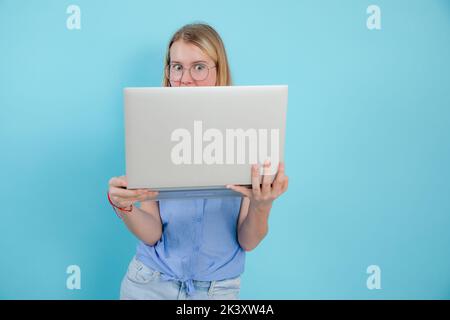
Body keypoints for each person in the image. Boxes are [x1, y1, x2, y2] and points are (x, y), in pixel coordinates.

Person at [107, 23, 289, 300]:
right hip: (149, 285)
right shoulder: (152, 128)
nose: (186, 79)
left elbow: (248, 240)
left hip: (217, 291)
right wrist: (125, 208)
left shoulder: (247, 130)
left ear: (219, 71)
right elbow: (153, 233)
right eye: (177, 66)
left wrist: (263, 205)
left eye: (199, 67)